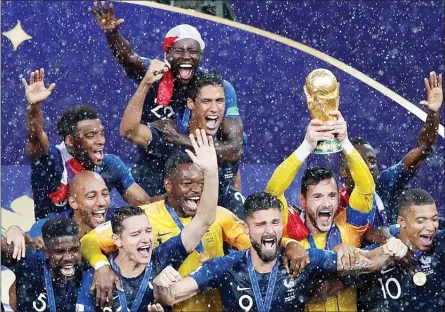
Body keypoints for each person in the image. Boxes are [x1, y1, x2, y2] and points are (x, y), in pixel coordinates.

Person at [80, 130, 307, 311]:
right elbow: (89, 241)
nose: (196, 191)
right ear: (169, 186)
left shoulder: (220, 215)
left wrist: (289, 244)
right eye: (187, 184)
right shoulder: (142, 219)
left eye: (200, 183)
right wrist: (101, 267)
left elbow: (258, 243)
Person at [88, 1, 244, 195]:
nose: (186, 56)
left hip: (198, 164)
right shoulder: (156, 73)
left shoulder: (217, 88)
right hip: (154, 160)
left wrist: (178, 139)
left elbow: (234, 149)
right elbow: (128, 58)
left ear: (201, 55)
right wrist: (112, 34)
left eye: (192, 51)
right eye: (178, 51)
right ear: (166, 54)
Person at [152, 192, 402, 312]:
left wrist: (391, 248)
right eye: (260, 225)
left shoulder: (304, 259)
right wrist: (161, 287)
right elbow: (171, 295)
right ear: (247, 229)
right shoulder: (226, 267)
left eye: (274, 223)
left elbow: (367, 262)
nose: (269, 231)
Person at [77, 129, 218, 311]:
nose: (145, 239)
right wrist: (101, 266)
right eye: (135, 234)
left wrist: (212, 171)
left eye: (148, 231)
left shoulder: (162, 258)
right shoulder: (97, 279)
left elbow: (204, 220)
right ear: (117, 240)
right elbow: (86, 242)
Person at [265, 112, 376, 311]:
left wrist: (346, 143)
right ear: (303, 201)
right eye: (317, 197)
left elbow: (367, 189)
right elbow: (273, 193)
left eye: (331, 196)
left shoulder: (349, 226)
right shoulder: (291, 235)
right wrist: (307, 145)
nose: (326, 204)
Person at [23, 68, 153, 220]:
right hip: (53, 239)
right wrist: (34, 107)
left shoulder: (110, 165)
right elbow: (36, 138)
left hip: (95, 237)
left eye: (102, 133)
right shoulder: (51, 160)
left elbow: (145, 205)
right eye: (91, 135)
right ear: (70, 141)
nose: (101, 141)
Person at [120, 68, 245, 217]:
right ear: (191, 103)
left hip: (221, 224)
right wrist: (146, 83)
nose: (214, 109)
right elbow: (129, 130)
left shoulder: (230, 142)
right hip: (178, 224)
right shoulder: (167, 133)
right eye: (206, 101)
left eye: (220, 101)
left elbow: (234, 172)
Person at [339, 72, 443, 226]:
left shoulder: (386, 183)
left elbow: (423, 147)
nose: (369, 166)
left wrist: (433, 113)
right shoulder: (334, 202)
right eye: (361, 161)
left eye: (372, 161)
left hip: (397, 249)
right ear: (344, 172)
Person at [355, 188, 444, 312]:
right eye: (420, 221)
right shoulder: (378, 253)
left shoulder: (440, 242)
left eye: (434, 219)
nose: (431, 227)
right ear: (402, 222)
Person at [1, 217, 83, 311]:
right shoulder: (29, 262)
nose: (68, 258)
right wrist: (12, 230)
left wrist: (100, 264)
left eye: (74, 250)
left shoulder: (89, 266)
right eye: (59, 252)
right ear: (46, 251)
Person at [28, 171, 111, 239]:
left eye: (105, 194)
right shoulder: (48, 228)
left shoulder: (119, 223)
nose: (102, 202)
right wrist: (15, 231)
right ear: (73, 203)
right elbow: (25, 240)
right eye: (91, 196)